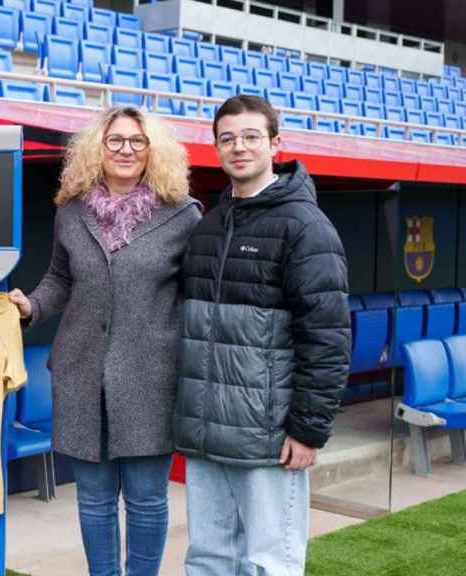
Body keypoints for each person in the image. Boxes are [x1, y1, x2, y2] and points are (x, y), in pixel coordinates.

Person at [9, 106, 201, 576]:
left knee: (147, 500)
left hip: (151, 378)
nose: (126, 150)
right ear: (98, 147)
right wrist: (31, 306)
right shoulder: (71, 211)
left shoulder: (184, 215)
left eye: (137, 142)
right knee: (93, 500)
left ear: (154, 151)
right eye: (115, 140)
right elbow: (59, 278)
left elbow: (194, 296)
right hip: (81, 373)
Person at [174, 95, 351, 575]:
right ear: (215, 148)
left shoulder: (306, 226)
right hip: (206, 431)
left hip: (268, 436)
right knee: (208, 560)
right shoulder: (207, 226)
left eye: (251, 136)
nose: (239, 147)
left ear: (276, 143)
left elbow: (327, 337)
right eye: (227, 138)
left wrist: (308, 429)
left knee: (270, 564)